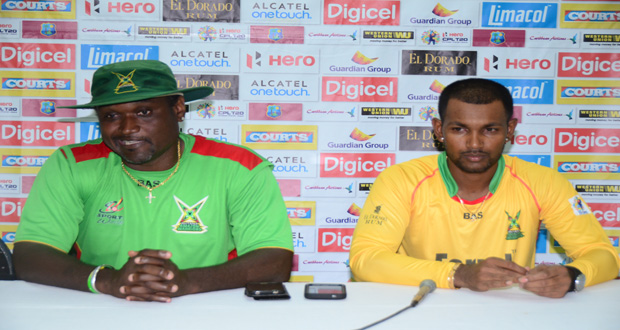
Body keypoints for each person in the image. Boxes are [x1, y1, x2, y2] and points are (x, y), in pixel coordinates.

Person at [13, 60, 294, 302]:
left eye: (144, 112)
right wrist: (109, 281)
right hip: (100, 311)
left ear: (178, 109)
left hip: (208, 311)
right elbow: (31, 254)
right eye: (111, 116)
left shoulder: (239, 167)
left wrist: (185, 282)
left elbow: (273, 260)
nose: (127, 128)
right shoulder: (72, 164)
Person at [349, 78, 619, 298]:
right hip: (424, 308)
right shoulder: (401, 179)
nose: (475, 143)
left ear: (510, 130)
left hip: (511, 312)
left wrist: (572, 276)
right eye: (460, 129)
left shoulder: (543, 182)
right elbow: (365, 259)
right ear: (439, 130)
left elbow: (604, 255)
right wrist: (458, 274)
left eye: (490, 130)